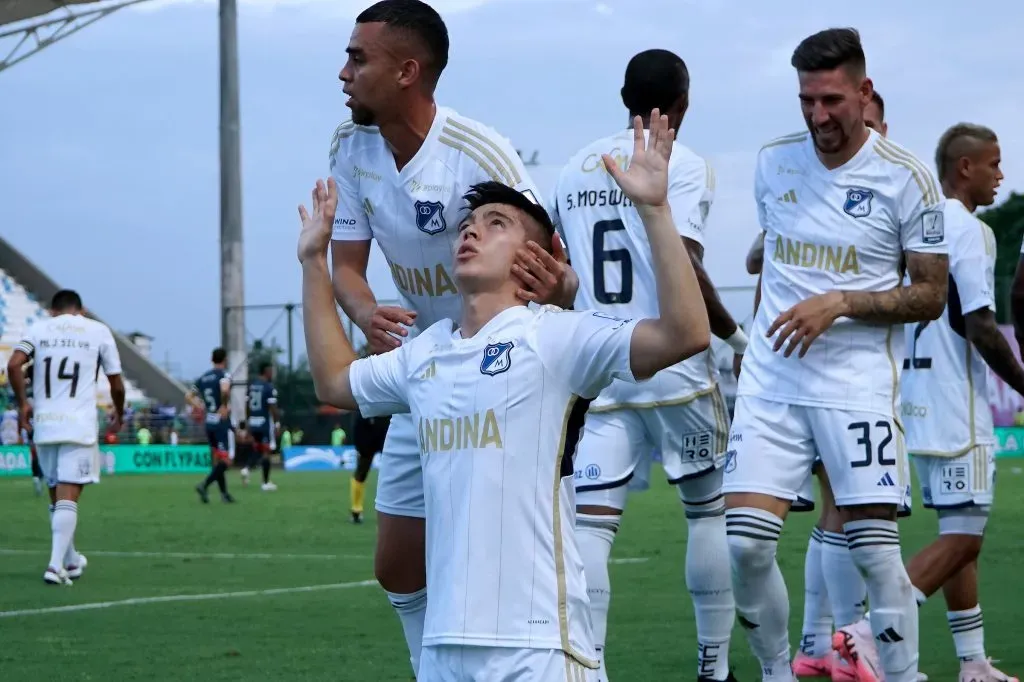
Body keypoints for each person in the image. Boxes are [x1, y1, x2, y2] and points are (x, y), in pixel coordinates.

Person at [303, 110, 709, 682]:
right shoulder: (425, 354)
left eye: (496, 222)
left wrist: (655, 210)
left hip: (538, 651)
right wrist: (312, 263)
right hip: (444, 654)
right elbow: (333, 382)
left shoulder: (556, 338)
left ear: (533, 257)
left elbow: (685, 334)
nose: (470, 229)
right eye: (468, 221)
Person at [327, 0, 575, 674]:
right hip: (424, 368)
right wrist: (366, 311)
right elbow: (346, 267)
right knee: (398, 565)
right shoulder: (352, 147)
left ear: (407, 71)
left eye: (358, 57)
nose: (343, 72)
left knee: (515, 562)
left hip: (503, 372)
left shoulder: (479, 155)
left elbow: (555, 274)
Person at [725, 28, 948, 682]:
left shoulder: (908, 177)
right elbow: (776, 261)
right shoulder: (773, 162)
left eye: (831, 100)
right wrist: (753, 331)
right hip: (772, 382)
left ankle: (903, 677)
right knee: (744, 545)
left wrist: (840, 301)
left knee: (876, 557)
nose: (818, 116)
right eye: (806, 101)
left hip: (855, 386)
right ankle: (777, 673)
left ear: (864, 92)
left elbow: (931, 295)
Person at [551, 49, 742, 682]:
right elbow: (684, 265)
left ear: (623, 95)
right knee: (706, 510)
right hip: (676, 364)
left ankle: (589, 665)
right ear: (682, 104)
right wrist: (735, 337)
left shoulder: (574, 166)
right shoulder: (685, 164)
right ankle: (713, 669)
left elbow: (559, 265)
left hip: (601, 366)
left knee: (593, 528)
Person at [840, 125, 1017, 682]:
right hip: (952, 400)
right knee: (966, 535)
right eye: (993, 164)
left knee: (956, 534)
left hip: (910, 398)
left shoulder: (917, 221)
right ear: (964, 168)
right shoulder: (972, 230)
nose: (1000, 176)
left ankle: (972, 663)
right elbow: (980, 324)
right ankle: (869, 633)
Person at [789, 89, 892, 679]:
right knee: (852, 513)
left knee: (844, 514)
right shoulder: (815, 183)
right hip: (837, 374)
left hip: (874, 372)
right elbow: (764, 257)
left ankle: (821, 646)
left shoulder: (897, 186)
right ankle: (846, 643)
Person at [6, 289, 125, 585]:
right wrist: (120, 413)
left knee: (57, 495)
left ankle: (70, 559)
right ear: (81, 310)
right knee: (70, 495)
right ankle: (54, 564)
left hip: (45, 424)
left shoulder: (38, 328)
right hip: (78, 424)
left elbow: (12, 365)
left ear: (51, 310)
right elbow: (116, 383)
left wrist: (23, 405)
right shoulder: (97, 330)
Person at [188, 348, 236, 504]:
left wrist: (199, 405)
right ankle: (204, 485)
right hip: (220, 421)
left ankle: (224, 494)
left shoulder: (203, 377)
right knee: (226, 460)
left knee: (217, 459)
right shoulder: (224, 375)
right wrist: (223, 405)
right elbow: (224, 389)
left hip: (209, 421)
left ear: (212, 359)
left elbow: (188, 396)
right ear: (225, 359)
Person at [243, 361, 280, 491]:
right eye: (271, 370)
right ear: (266, 371)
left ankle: (246, 468)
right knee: (266, 451)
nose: (272, 373)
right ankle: (265, 482)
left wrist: (248, 422)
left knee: (257, 449)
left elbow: (247, 406)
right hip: (263, 422)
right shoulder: (268, 387)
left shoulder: (251, 386)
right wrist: (277, 423)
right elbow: (273, 408)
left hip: (252, 421)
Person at [350, 411, 390, 524]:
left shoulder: (388, 407)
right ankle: (356, 509)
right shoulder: (364, 406)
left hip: (386, 441)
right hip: (366, 442)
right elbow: (357, 427)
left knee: (393, 474)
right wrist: (360, 448)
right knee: (361, 474)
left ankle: (394, 509)